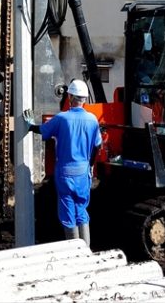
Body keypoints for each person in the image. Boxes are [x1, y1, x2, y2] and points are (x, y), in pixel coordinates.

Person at [25, 79, 102, 246]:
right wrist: (90, 165)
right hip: (83, 172)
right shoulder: (93, 120)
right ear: (85, 99)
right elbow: (97, 145)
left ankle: (74, 252)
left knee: (68, 213)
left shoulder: (62, 118)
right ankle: (86, 250)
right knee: (82, 210)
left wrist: (30, 124)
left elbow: (42, 130)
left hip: (65, 173)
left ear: (70, 97)